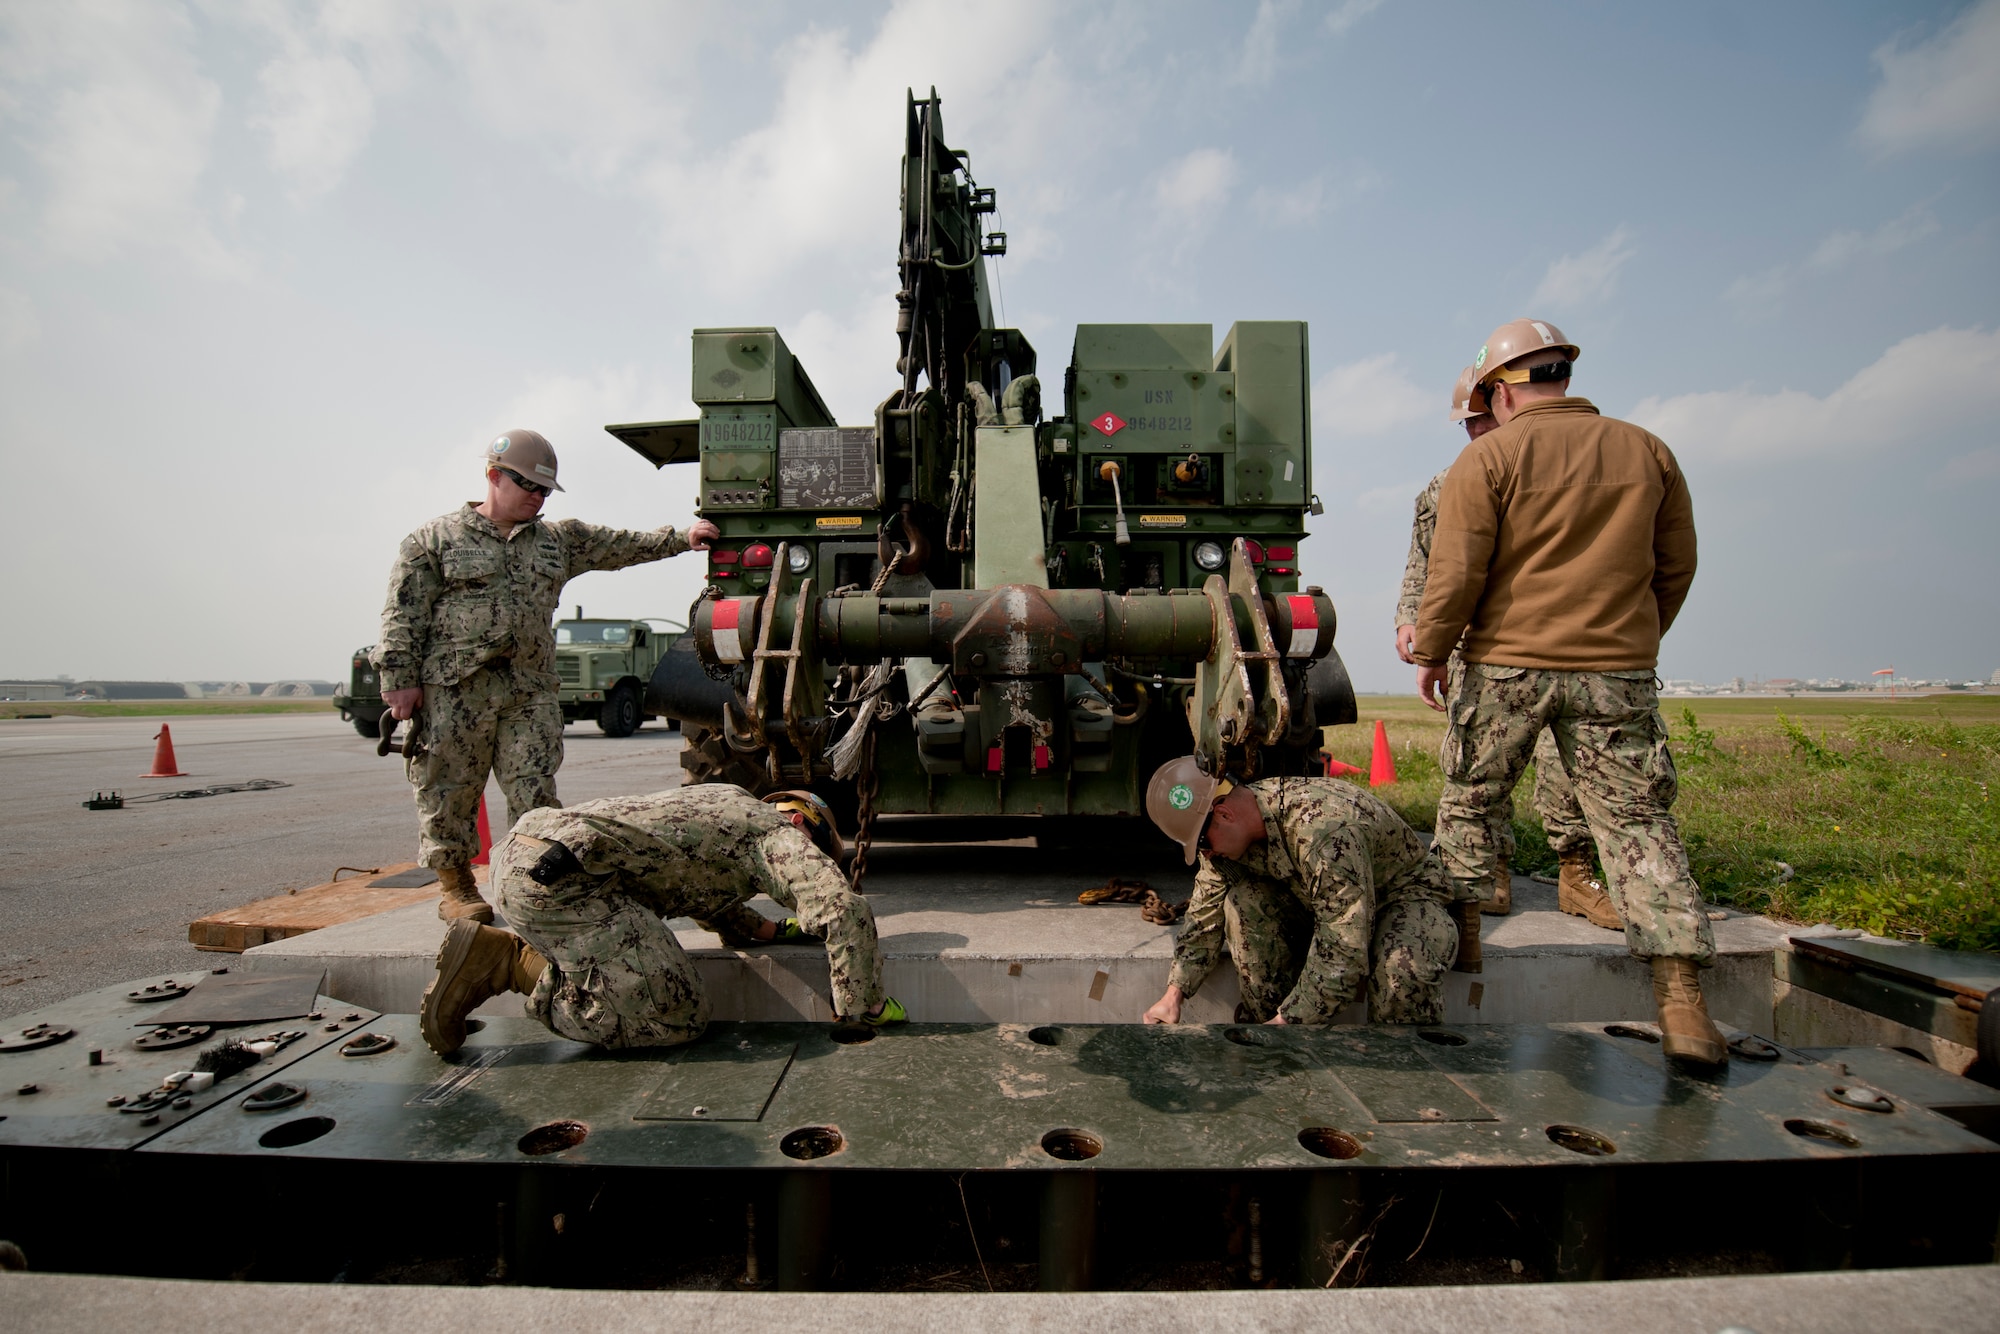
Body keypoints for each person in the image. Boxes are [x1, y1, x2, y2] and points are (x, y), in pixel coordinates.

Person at [1411, 318, 1722, 1066]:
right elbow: (1676, 567)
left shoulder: (1488, 459)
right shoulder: (1648, 451)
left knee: (1470, 804)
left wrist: (1430, 652)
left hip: (1506, 666)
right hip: (1616, 672)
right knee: (1640, 826)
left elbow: (1455, 577)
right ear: (1562, 377)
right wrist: (1627, 639)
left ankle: (1467, 953)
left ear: (1499, 390)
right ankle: (1682, 1008)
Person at [374, 428, 719, 923]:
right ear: (494, 476)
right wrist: (398, 680)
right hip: (455, 691)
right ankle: (457, 888)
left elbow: (617, 545)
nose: (537, 498)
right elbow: (402, 614)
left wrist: (680, 539)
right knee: (447, 789)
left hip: (528, 692)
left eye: (544, 491)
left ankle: (527, 883)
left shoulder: (557, 540)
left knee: (535, 792)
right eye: (529, 486)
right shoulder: (434, 540)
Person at [419, 786, 906, 1055]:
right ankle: (509, 965)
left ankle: (540, 960)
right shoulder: (779, 833)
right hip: (561, 885)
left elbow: (705, 896)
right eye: (815, 850)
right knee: (677, 1015)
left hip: (527, 859)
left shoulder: (725, 810)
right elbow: (845, 910)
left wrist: (776, 931)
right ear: (803, 823)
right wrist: (864, 1004)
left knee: (642, 953)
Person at [1395, 368, 1621, 942]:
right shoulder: (1445, 485)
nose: (1475, 430)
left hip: (1556, 645)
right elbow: (1426, 560)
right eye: (1467, 423)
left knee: (1562, 764)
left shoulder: (1560, 468)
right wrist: (1411, 620)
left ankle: (1576, 871)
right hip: (1480, 646)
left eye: (1482, 418)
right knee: (1478, 771)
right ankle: (1487, 871)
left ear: (1506, 405)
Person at [1138, 758, 1458, 1027]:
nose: (1205, 855)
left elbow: (1344, 953)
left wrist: (1288, 1022)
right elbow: (1203, 913)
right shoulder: (1233, 833)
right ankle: (1273, 1035)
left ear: (1223, 814)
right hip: (1327, 905)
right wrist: (1172, 996)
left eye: (1203, 844)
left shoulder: (1325, 835)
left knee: (1400, 971)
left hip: (1401, 900)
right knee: (1243, 903)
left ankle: (1402, 1070)